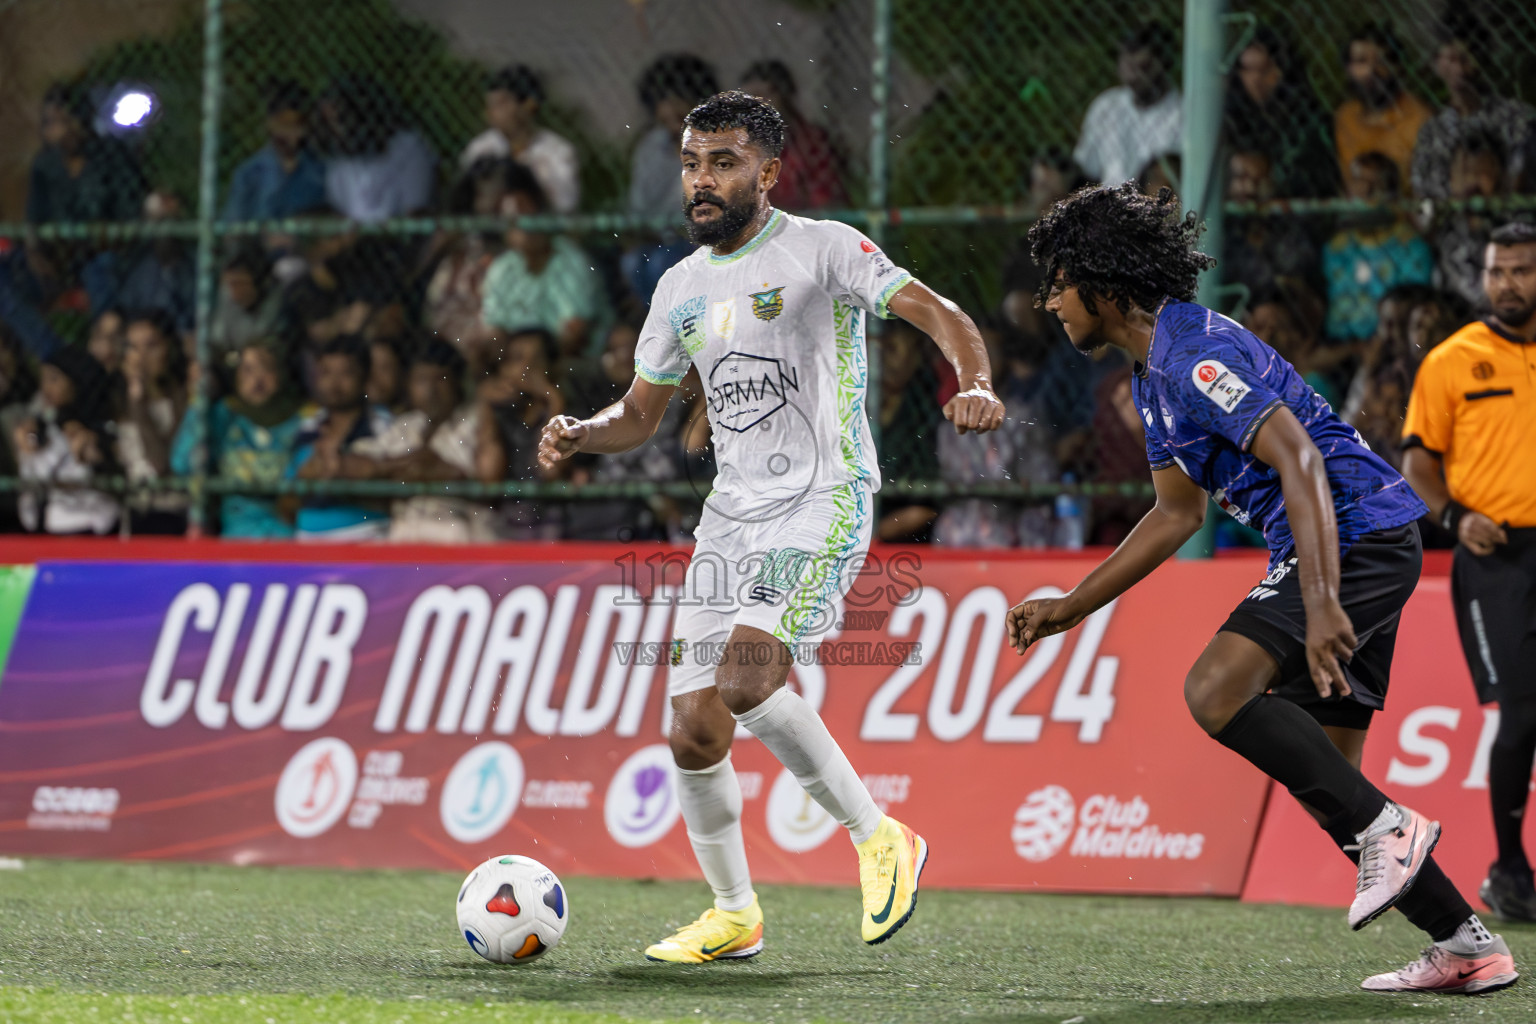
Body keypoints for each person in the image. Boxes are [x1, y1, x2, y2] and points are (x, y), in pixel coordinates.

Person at [1013, 181, 1517, 994]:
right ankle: (1465, 944)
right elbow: (1175, 514)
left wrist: (1320, 605)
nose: (1050, 301)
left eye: (1058, 282)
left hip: (1353, 533)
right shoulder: (1151, 374)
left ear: (1104, 285)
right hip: (1345, 540)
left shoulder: (1193, 357)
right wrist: (1072, 606)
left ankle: (1400, 836)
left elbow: (1303, 460)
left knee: (1215, 689)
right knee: (1333, 779)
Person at [538, 91, 1004, 963]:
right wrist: (583, 431)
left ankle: (880, 838)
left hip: (823, 498)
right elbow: (642, 413)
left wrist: (972, 380)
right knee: (693, 729)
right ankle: (734, 914)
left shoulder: (823, 248)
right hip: (732, 516)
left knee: (750, 680)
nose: (701, 181)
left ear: (767, 172)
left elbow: (942, 314)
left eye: (721, 163)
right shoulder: (679, 288)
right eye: (689, 162)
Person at [1400, 222, 1536, 922]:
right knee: (1522, 714)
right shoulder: (1453, 360)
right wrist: (1456, 520)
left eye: (1521, 270)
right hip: (1495, 558)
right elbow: (1417, 467)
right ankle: (1510, 868)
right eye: (1497, 271)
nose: (1507, 283)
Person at [171, 340, 304, 539]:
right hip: (236, 538)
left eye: (266, 369)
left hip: (289, 538)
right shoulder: (224, 416)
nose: (258, 379)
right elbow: (182, 464)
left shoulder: (301, 422)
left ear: (282, 374)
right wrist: (199, 401)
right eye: (248, 370)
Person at [480, 164, 604, 359]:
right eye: (514, 221)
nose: (525, 228)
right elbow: (494, 330)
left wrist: (536, 359)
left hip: (567, 361)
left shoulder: (572, 260)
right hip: (515, 362)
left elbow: (575, 333)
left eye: (529, 216)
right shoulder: (502, 268)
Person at [624, 55, 720, 305]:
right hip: (656, 237)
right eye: (662, 105)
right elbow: (639, 205)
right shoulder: (651, 147)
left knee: (662, 263)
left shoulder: (718, 143)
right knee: (633, 262)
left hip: (700, 240)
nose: (669, 113)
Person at [1412, 17, 1534, 201]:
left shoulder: (1516, 116)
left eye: (1467, 58)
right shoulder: (1432, 131)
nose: (1459, 68)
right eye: (1452, 59)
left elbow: (1520, 178)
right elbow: (1421, 192)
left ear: (1483, 61)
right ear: (1436, 64)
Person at [287, 335, 393, 540]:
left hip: (367, 534)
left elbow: (397, 494)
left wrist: (342, 478)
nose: (334, 383)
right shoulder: (306, 428)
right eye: (326, 373)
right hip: (308, 537)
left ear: (365, 378)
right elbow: (287, 500)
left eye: (346, 373)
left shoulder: (384, 426)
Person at [1322, 153, 1433, 343]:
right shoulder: (1336, 248)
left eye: (1375, 184)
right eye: (1358, 181)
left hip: (1393, 343)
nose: (1365, 191)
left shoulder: (1411, 247)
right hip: (1338, 345)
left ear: (1391, 194)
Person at [14, 346, 119, 535]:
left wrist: (91, 451)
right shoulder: (42, 424)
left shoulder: (102, 427)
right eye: (43, 379)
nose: (46, 388)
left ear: (76, 382)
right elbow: (33, 449)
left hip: (90, 529)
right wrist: (28, 441)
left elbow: (103, 466)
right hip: (42, 529)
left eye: (54, 379)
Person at [1222, 26, 1338, 198]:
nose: (1255, 79)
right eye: (1247, 69)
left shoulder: (1306, 113)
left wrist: (1269, 171)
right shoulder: (1232, 112)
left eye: (1265, 69)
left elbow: (1313, 173)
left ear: (1283, 70)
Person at [458, 65, 580, 215]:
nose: (490, 113)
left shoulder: (558, 151)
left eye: (500, 104)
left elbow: (565, 204)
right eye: (489, 106)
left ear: (529, 105)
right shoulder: (481, 148)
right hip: (486, 232)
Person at [1073, 23, 1182, 187]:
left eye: (1142, 68)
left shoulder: (1184, 112)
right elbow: (1086, 169)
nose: (1131, 77)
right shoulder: (1107, 106)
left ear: (1164, 63)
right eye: (1126, 65)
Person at [1334, 25, 1433, 192]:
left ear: (1397, 67)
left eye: (1381, 61)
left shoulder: (1419, 117)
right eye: (1361, 61)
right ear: (1348, 69)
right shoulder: (1345, 117)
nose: (1372, 70)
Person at [116, 309, 188, 534]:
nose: (141, 357)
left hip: (178, 512)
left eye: (151, 346)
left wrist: (139, 403)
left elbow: (161, 464)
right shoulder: (113, 401)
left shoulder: (181, 399)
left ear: (168, 349)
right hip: (138, 511)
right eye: (133, 347)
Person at [738, 60, 845, 211]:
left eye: (764, 95)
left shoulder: (811, 142)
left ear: (786, 96)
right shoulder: (738, 144)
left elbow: (825, 201)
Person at [221, 80, 328, 222]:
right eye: (281, 125)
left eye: (294, 126)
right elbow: (232, 226)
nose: (286, 134)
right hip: (258, 242)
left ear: (306, 127)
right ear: (269, 124)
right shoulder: (249, 174)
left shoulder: (320, 171)